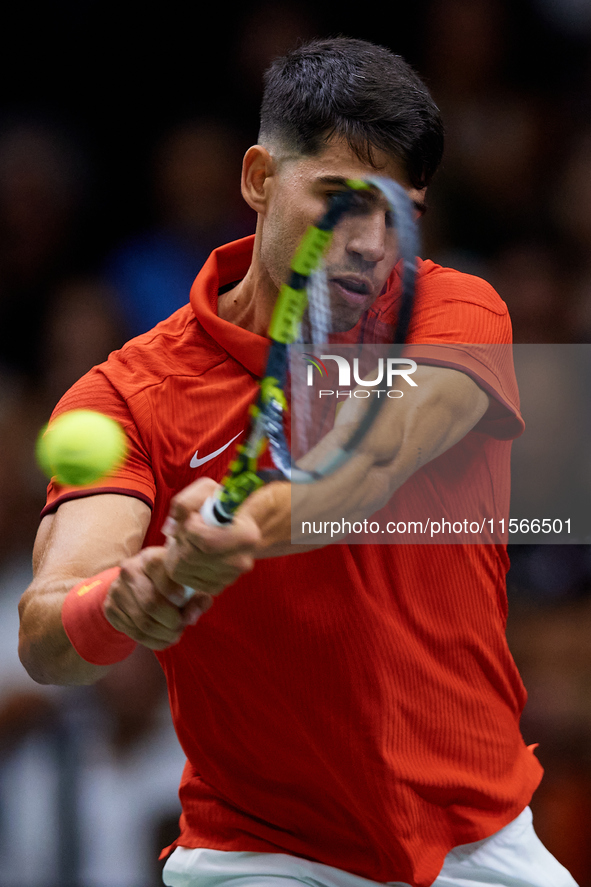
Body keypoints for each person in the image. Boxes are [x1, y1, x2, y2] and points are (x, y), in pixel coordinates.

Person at [18, 37, 577, 887]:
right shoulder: (128, 393)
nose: (366, 240)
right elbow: (47, 633)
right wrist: (119, 602)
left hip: (480, 838)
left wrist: (235, 527)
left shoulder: (458, 310)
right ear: (256, 178)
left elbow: (368, 463)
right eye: (339, 198)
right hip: (263, 854)